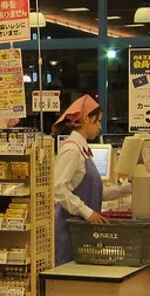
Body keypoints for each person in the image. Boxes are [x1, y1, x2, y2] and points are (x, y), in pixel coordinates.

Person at [52, 95, 132, 265]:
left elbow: (94, 192)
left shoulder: (84, 150)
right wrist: (87, 213)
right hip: (70, 230)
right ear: (86, 119)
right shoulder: (72, 150)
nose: (100, 127)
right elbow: (58, 189)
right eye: (98, 121)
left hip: (83, 231)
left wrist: (126, 188)